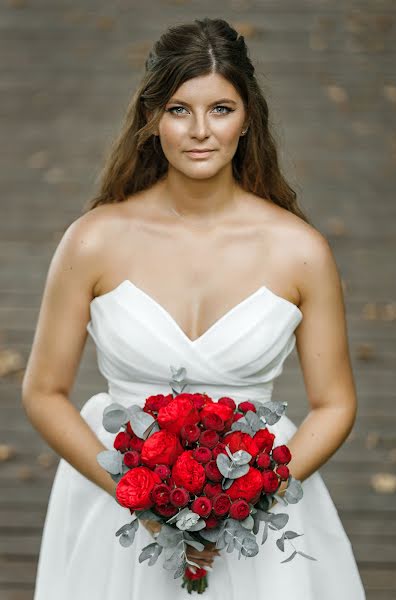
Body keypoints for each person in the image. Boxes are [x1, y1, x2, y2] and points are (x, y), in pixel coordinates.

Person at [22, 17, 366, 599]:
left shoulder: (300, 252)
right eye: (180, 109)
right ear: (151, 118)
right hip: (119, 505)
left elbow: (335, 404)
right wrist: (134, 489)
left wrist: (251, 496)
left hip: (258, 504)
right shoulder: (93, 240)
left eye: (221, 109)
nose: (200, 131)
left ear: (247, 117)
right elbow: (43, 391)